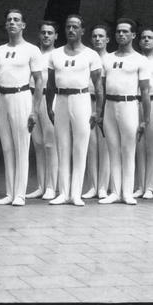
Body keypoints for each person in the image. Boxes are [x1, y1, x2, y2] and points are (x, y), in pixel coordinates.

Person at [0, 9, 44, 206]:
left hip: (21, 96)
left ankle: (20, 193)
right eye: (9, 19)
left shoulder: (32, 50)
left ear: (23, 25)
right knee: (7, 147)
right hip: (3, 98)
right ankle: (9, 192)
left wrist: (34, 111)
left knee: (21, 147)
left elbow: (39, 81)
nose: (12, 22)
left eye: (16, 20)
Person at [45, 15, 102, 206]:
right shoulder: (56, 55)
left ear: (82, 30)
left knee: (80, 147)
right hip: (61, 100)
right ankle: (63, 192)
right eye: (68, 27)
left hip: (81, 99)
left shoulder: (91, 55)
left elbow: (99, 86)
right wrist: (48, 107)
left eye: (75, 27)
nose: (71, 30)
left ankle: (76, 193)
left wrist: (97, 111)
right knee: (62, 145)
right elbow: (51, 84)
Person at [101, 19, 151, 205]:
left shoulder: (140, 60)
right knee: (112, 149)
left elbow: (145, 91)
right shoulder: (107, 59)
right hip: (110, 106)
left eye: (125, 32)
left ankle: (127, 192)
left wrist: (145, 119)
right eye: (118, 32)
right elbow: (102, 88)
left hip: (129, 105)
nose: (121, 35)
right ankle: (115, 191)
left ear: (133, 35)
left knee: (128, 150)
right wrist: (100, 112)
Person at [29, 21, 59, 200]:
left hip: (49, 98)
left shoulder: (57, 54)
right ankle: (41, 185)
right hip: (33, 98)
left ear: (56, 36)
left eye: (50, 33)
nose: (46, 35)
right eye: (43, 32)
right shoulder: (34, 53)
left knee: (50, 144)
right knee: (38, 143)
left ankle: (51, 186)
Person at [85, 24, 111, 199]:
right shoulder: (87, 57)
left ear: (107, 39)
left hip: (107, 104)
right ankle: (92, 185)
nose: (98, 39)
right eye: (94, 36)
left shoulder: (110, 59)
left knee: (105, 146)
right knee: (90, 145)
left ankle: (103, 186)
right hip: (87, 102)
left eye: (101, 36)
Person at [134, 27, 153, 199]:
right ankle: (140, 185)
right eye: (143, 37)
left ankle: (150, 187)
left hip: (152, 101)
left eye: (149, 37)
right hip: (135, 102)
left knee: (152, 146)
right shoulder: (135, 59)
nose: (146, 40)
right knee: (138, 146)